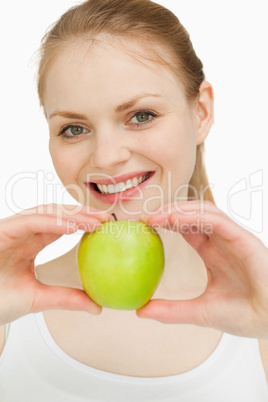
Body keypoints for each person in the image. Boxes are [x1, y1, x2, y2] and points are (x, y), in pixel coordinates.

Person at [0, 0, 268, 400]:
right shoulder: (9, 307)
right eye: (74, 128)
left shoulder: (259, 308)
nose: (107, 157)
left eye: (141, 116)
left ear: (201, 112)